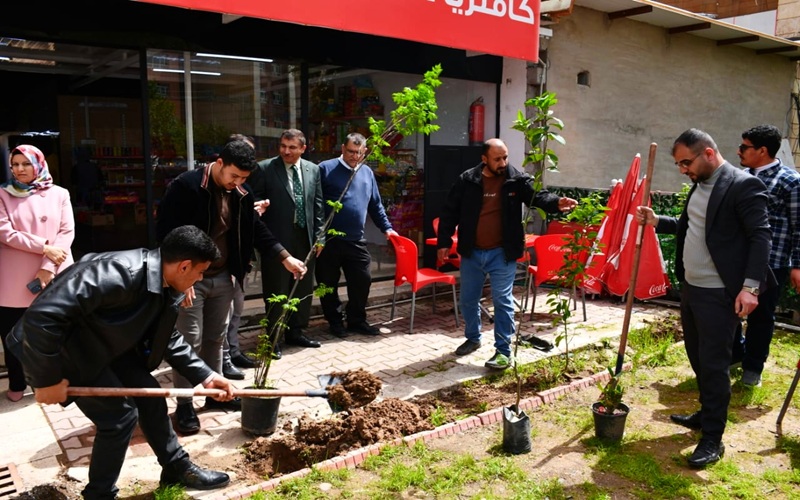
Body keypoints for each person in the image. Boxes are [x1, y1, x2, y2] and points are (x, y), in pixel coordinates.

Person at [5, 225, 235, 499]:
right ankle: (99, 495)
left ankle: (176, 467)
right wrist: (47, 379)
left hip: (99, 344)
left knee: (151, 397)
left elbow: (167, 337)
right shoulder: (117, 272)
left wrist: (207, 376)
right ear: (184, 266)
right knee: (119, 418)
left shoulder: (165, 283)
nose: (200, 279)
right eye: (200, 272)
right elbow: (42, 317)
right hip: (61, 349)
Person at [637, 128, 773, 468]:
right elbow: (695, 226)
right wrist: (657, 221)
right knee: (698, 357)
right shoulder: (700, 184)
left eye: (686, 162)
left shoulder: (743, 185)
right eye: (679, 165)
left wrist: (750, 288)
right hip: (692, 288)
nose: (683, 170)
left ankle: (713, 438)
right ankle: (706, 412)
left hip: (719, 293)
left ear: (709, 153)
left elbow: (760, 238)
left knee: (714, 364)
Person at [156, 139, 306, 435]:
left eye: (243, 178)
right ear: (219, 163)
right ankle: (185, 404)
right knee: (189, 340)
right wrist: (177, 280)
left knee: (216, 338)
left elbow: (256, 229)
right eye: (233, 175)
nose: (237, 183)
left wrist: (285, 257)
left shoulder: (240, 193)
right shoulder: (186, 187)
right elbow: (166, 234)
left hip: (224, 276)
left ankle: (214, 395)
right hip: (189, 279)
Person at [437, 138, 577, 370]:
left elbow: (538, 196)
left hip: (502, 253)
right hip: (472, 252)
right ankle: (473, 338)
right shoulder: (468, 180)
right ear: (484, 159)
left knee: (502, 300)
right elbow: (449, 212)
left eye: (505, 157)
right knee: (468, 300)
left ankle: (503, 351)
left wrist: (556, 203)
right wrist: (443, 242)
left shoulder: (516, 179)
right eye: (497, 159)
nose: (503, 163)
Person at [0, 145, 75, 403]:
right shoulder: (3, 193)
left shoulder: (59, 194)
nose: (20, 169)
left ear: (39, 164)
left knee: (54, 332)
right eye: (15, 164)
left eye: (26, 163)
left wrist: (47, 266)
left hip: (54, 272)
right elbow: (4, 232)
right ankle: (18, 381)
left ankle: (52, 381)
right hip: (14, 278)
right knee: (13, 334)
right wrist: (44, 247)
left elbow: (66, 232)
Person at [732, 124, 800, 387]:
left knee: (761, 316)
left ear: (762, 150)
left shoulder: (790, 181)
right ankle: (735, 356)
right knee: (730, 309)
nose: (739, 151)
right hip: (737, 259)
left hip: (772, 262)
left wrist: (797, 265)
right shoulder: (739, 177)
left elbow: (799, 226)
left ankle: (753, 367)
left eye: (744, 147)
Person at [249, 129, 325, 351]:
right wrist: (260, 207)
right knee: (277, 288)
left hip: (305, 237)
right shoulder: (265, 168)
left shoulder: (313, 170)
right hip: (277, 240)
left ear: (303, 148)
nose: (286, 151)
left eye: (292, 147)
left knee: (302, 286)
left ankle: (296, 332)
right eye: (283, 146)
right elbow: (254, 199)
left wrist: (320, 237)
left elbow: (318, 205)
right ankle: (273, 338)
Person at [316, 132, 397, 337]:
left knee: (362, 280)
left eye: (359, 153)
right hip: (329, 239)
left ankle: (356, 320)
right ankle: (335, 322)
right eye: (351, 151)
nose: (355, 156)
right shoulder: (325, 169)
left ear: (365, 151)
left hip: (355, 239)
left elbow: (376, 205)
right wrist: (318, 235)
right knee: (328, 283)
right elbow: (315, 205)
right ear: (343, 148)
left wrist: (387, 228)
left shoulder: (367, 172)